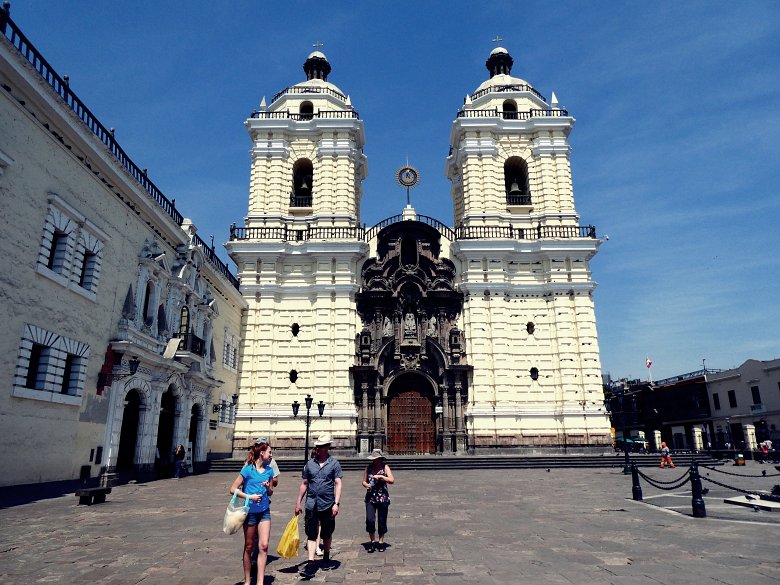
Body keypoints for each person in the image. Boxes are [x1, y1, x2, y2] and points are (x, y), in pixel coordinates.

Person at [295, 434, 343, 579]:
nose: (320, 449)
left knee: (327, 533)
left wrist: (336, 503)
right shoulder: (309, 464)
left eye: (323, 446)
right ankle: (310, 562)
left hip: (328, 504)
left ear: (328, 447)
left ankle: (326, 556)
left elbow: (338, 483)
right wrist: (298, 502)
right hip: (311, 504)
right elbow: (304, 484)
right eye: (318, 446)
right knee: (311, 533)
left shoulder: (334, 463)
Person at [230, 439, 275, 585]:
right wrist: (249, 497)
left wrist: (268, 487)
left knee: (264, 545)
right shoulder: (248, 469)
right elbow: (233, 489)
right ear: (262, 453)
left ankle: (260, 581)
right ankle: (248, 580)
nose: (271, 455)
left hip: (264, 512)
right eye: (270, 452)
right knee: (249, 546)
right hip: (249, 513)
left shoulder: (269, 471)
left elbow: (271, 492)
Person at [250, 437, 280, 569]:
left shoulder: (271, 463)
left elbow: (275, 481)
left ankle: (256, 557)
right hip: (251, 504)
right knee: (253, 537)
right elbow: (241, 483)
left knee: (262, 538)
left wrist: (268, 484)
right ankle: (252, 557)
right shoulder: (249, 463)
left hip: (264, 503)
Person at [362, 449, 394, 552]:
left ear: (380, 459)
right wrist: (367, 485)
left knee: (382, 520)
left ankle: (380, 542)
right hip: (371, 497)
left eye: (376, 459)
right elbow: (363, 481)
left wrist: (381, 477)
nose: (374, 461)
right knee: (370, 520)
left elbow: (392, 480)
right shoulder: (368, 468)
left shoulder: (385, 467)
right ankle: (372, 541)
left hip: (382, 497)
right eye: (373, 459)